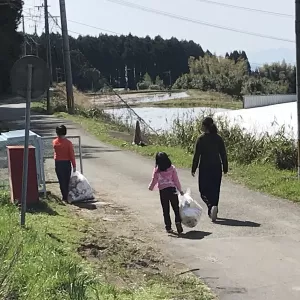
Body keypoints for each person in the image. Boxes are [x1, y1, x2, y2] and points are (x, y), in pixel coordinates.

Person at [191, 117, 228, 222]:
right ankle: (214, 207)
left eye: (202, 125)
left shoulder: (201, 139)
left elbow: (196, 155)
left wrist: (194, 168)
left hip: (205, 168)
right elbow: (223, 154)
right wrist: (225, 167)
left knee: (203, 190)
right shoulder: (218, 138)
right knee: (215, 189)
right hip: (217, 167)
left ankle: (211, 206)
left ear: (205, 126)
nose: (201, 127)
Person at [148, 152, 184, 234]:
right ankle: (178, 222)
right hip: (172, 190)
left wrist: (150, 187)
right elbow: (176, 180)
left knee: (166, 210)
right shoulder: (172, 168)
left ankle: (168, 227)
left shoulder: (157, 170)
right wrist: (180, 190)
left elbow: (154, 180)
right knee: (176, 208)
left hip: (163, 191)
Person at [53, 125, 76, 201]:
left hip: (58, 163)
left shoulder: (54, 142)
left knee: (61, 180)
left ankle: (64, 196)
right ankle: (67, 195)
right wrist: (74, 165)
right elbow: (71, 155)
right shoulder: (68, 143)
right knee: (67, 180)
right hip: (66, 163)